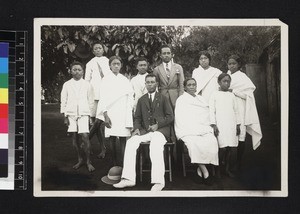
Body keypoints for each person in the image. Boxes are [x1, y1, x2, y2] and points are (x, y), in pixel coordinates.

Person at [113, 74, 174, 191]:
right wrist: (136, 129)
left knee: (155, 145)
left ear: (156, 84)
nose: (150, 84)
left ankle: (158, 182)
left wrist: (158, 125)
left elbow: (170, 117)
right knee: (131, 142)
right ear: (145, 84)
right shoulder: (141, 100)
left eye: (152, 82)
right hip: (145, 131)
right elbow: (137, 118)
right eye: (148, 82)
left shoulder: (163, 98)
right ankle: (128, 179)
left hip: (161, 131)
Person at [175, 78, 219, 184]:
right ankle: (206, 172)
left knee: (211, 142)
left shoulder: (201, 99)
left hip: (203, 128)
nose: (191, 87)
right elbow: (181, 118)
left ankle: (199, 171)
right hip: (188, 130)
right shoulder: (181, 100)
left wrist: (204, 127)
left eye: (193, 85)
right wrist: (193, 129)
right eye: (189, 85)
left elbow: (206, 115)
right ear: (185, 87)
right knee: (194, 144)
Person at [96, 56, 134, 166]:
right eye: (114, 64)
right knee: (112, 137)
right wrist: (105, 115)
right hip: (111, 112)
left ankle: (123, 164)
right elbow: (102, 98)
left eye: (118, 64)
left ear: (121, 65)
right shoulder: (105, 80)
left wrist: (129, 111)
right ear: (110, 66)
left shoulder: (125, 79)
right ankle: (114, 163)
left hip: (123, 112)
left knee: (123, 137)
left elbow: (130, 96)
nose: (116, 66)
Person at [227, 55, 262, 171]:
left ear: (238, 65)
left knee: (241, 134)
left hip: (240, 106)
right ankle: (226, 163)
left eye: (234, 63)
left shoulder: (242, 77)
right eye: (229, 63)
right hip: (229, 107)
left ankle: (239, 162)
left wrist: (234, 91)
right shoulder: (227, 75)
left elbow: (247, 95)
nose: (231, 66)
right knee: (228, 133)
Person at [60, 61, 95, 172]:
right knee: (74, 138)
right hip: (71, 114)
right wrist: (65, 116)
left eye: (79, 70)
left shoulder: (87, 85)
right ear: (71, 71)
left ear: (83, 71)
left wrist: (91, 116)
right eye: (74, 69)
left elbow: (91, 101)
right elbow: (63, 100)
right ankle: (80, 159)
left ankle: (88, 161)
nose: (77, 72)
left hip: (84, 113)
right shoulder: (67, 84)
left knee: (85, 136)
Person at [209, 73, 241, 177]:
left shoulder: (232, 95)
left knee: (230, 148)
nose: (227, 83)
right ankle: (217, 169)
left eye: (228, 81)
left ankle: (226, 169)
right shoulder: (214, 94)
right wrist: (213, 125)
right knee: (221, 148)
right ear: (219, 82)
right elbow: (211, 111)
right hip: (220, 124)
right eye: (224, 81)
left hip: (231, 124)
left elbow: (236, 111)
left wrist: (237, 125)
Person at [85, 41, 111, 158]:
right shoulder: (90, 63)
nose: (98, 50)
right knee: (97, 122)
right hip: (94, 95)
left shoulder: (108, 61)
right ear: (93, 51)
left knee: (99, 121)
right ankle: (102, 148)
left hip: (105, 94)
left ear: (103, 49)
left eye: (100, 48)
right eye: (95, 48)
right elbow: (87, 80)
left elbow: (110, 77)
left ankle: (85, 142)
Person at [153, 44, 184, 110]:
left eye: (168, 53)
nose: (166, 55)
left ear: (172, 55)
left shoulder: (178, 67)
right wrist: (157, 99)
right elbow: (156, 86)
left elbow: (182, 84)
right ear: (160, 55)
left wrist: (180, 98)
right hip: (163, 97)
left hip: (176, 97)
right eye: (164, 53)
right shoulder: (157, 69)